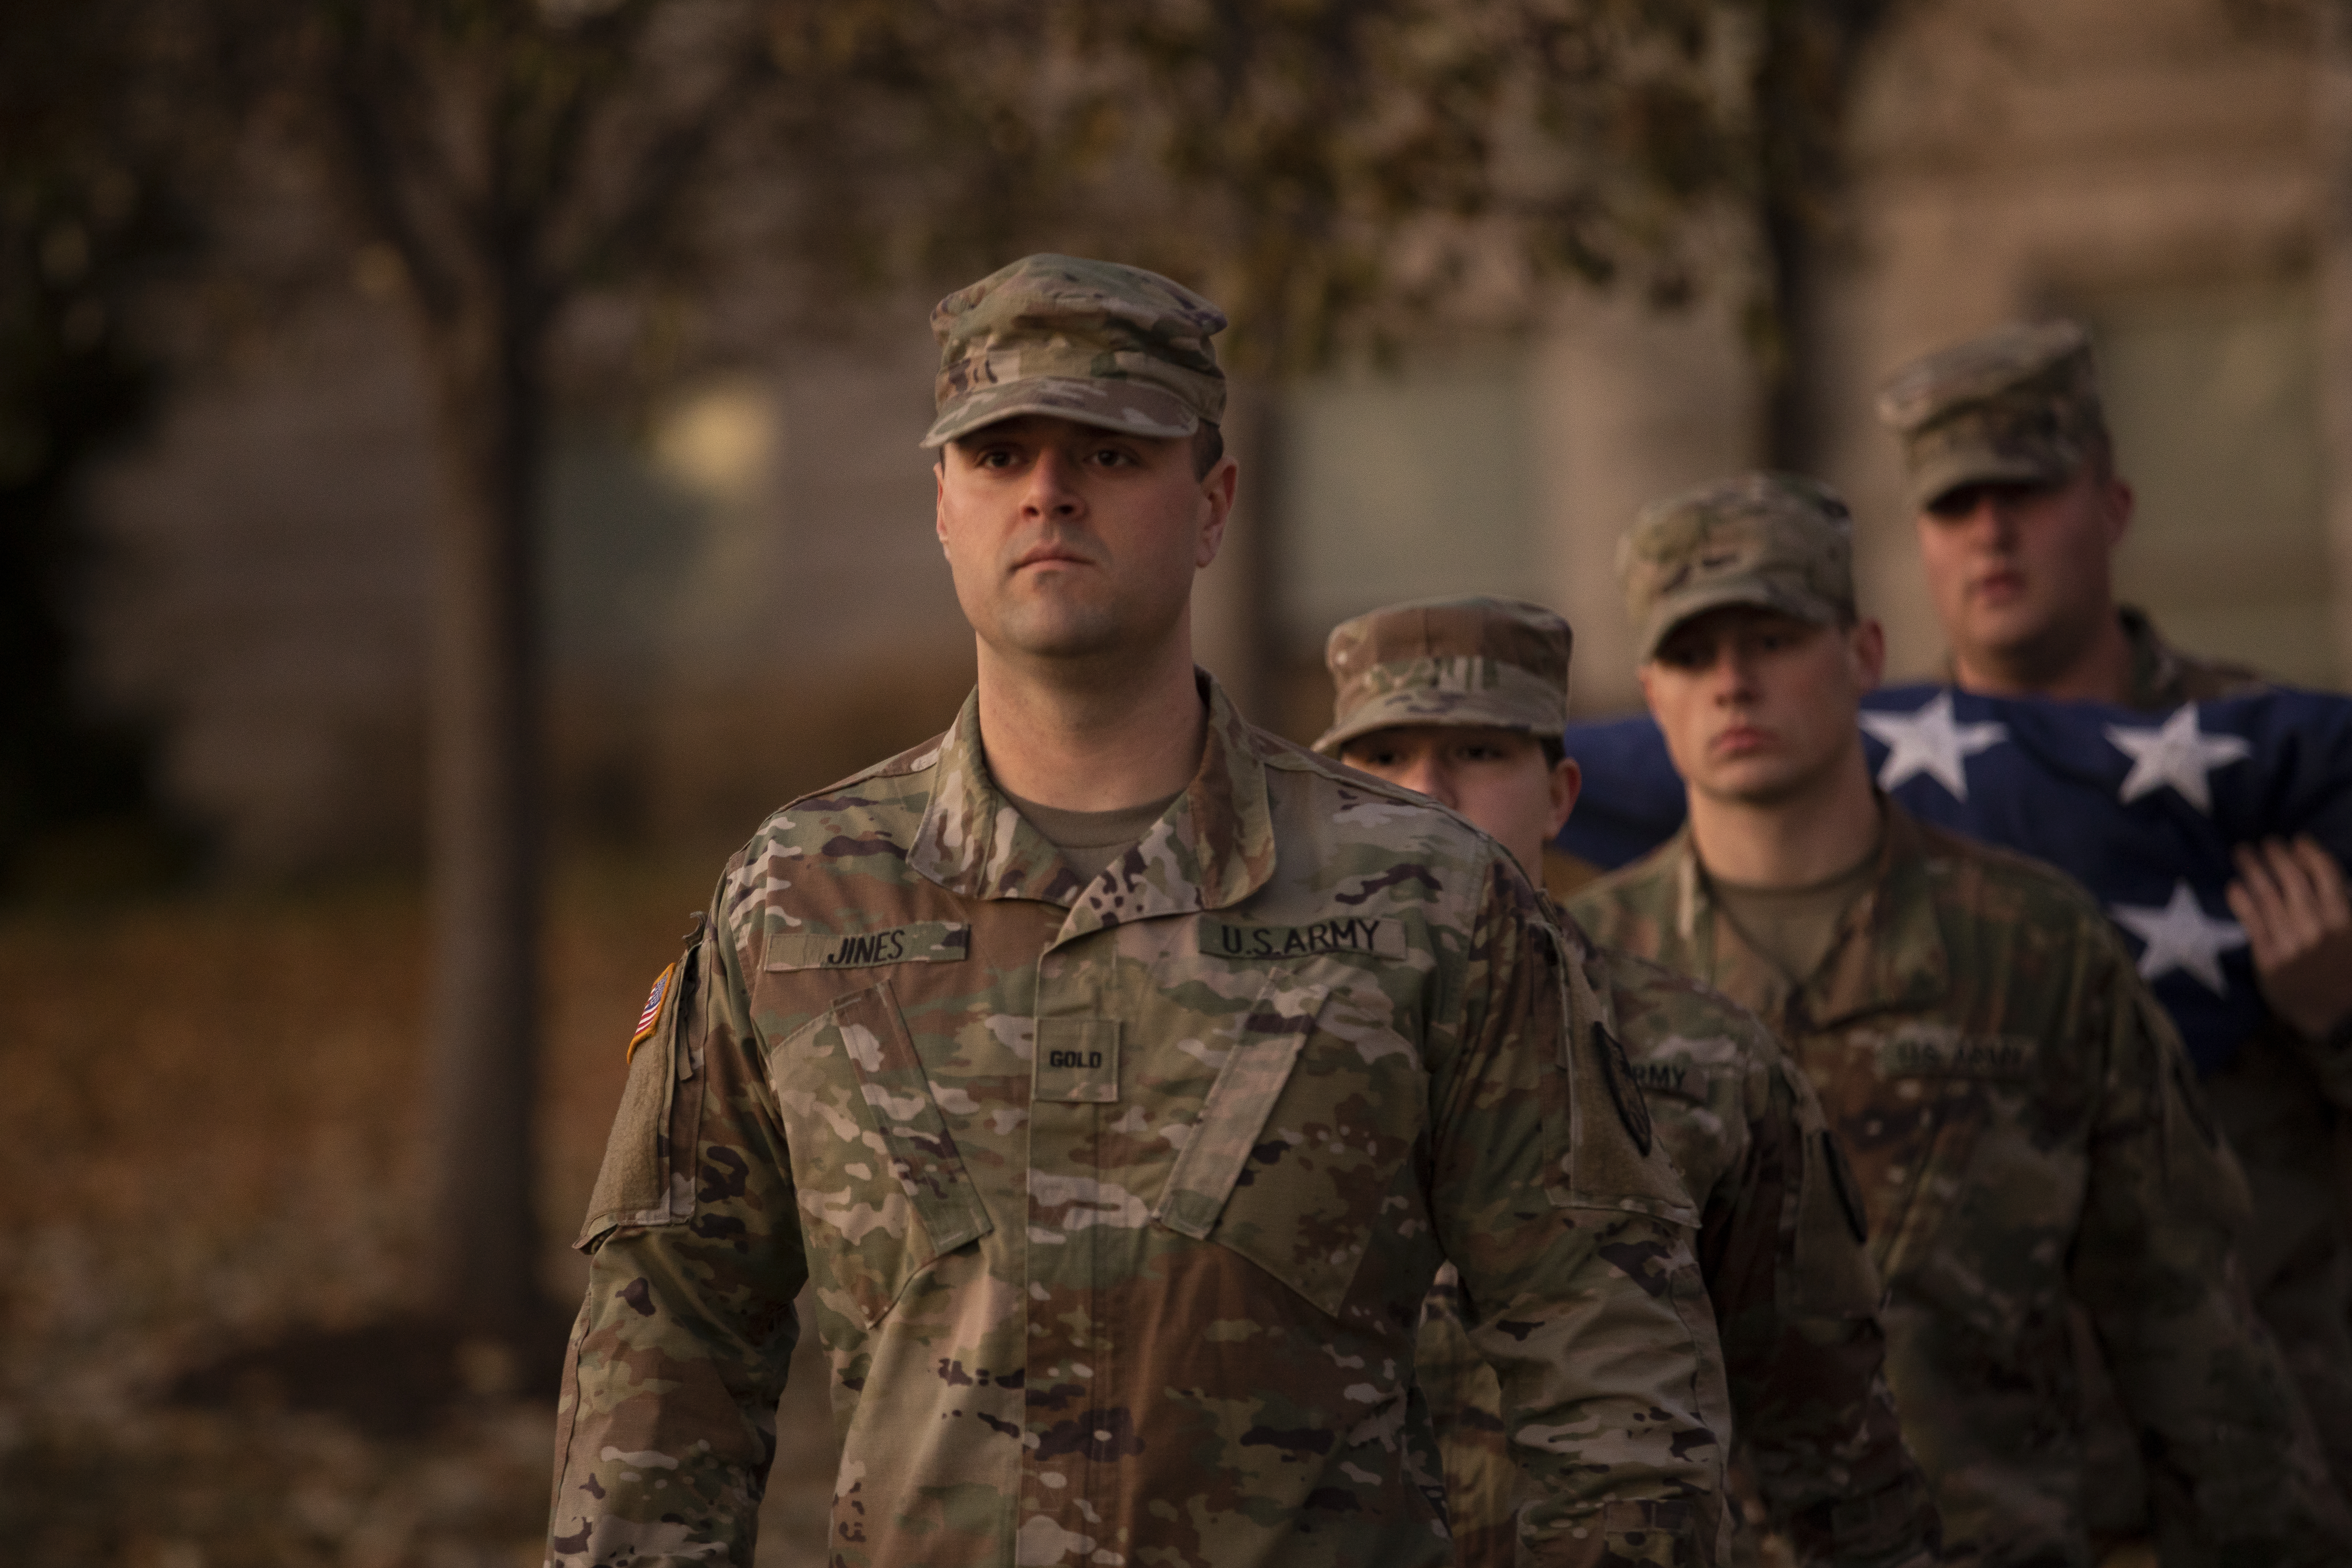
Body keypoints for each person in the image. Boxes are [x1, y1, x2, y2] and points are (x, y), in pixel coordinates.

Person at [546, 255, 1733, 1568]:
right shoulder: (798, 901)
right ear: (942, 506)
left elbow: (1610, 1352)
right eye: (999, 455)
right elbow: (668, 1344)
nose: (1048, 490)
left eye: (1111, 455)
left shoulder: (1428, 896)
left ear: (1214, 502)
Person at [1565, 470, 2352, 1564]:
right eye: (1694, 656)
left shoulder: (2036, 946)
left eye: (1774, 639)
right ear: (1653, 692)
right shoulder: (1577, 976)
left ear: (1868, 657)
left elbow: (2185, 1329)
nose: (1732, 685)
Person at [1315, 595, 1940, 1568]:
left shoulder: (1709, 1065)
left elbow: (1834, 1459)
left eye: (1479, 754)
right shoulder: (1245, 1055)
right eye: (1385, 757)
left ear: (1561, 794)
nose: (1428, 795)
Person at [1878, 321, 2352, 1503]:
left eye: (2026, 490)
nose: (1991, 529)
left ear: (2115, 505)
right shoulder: (1852, 802)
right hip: (1974, 1486)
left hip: (2259, 1470)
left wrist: (2338, 1020)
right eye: (1954, 505)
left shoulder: (2275, 768)